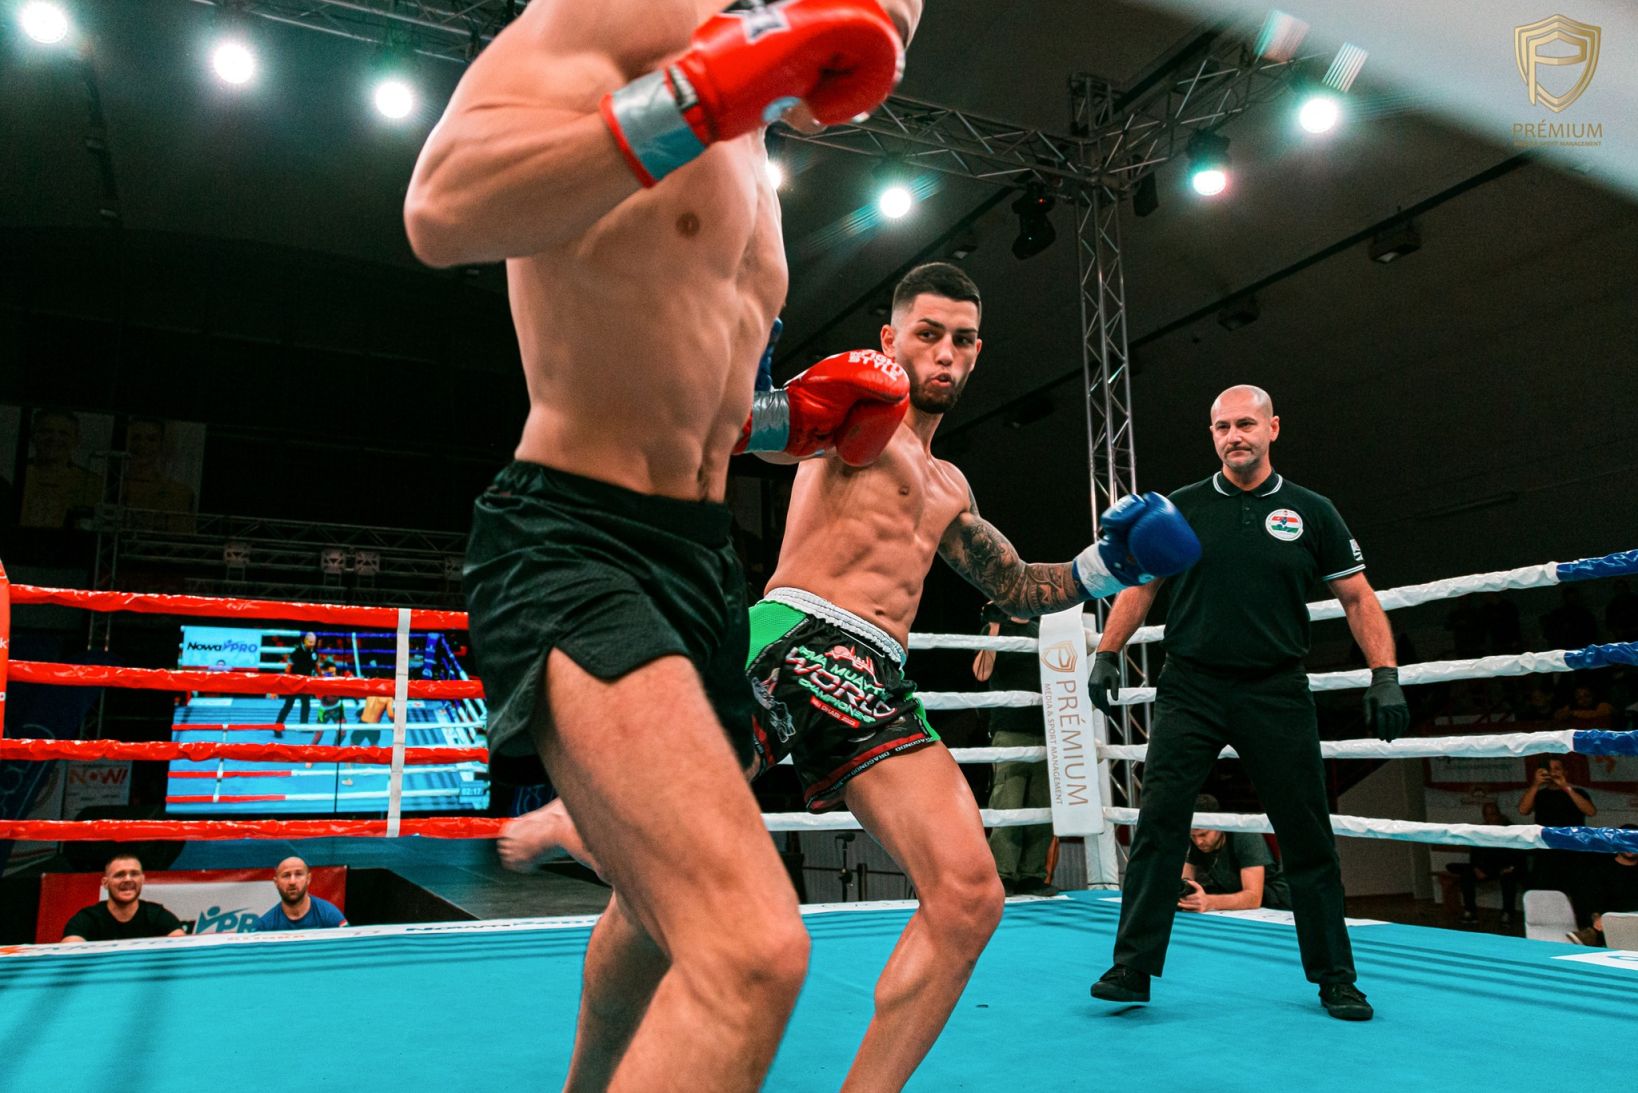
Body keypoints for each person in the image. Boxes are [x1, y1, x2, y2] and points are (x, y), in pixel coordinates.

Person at [500, 262, 1201, 1089]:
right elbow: (747, 433)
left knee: (970, 897)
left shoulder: (950, 485)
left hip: (876, 675)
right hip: (790, 634)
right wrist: (748, 387)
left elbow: (1016, 586)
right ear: (891, 339)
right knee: (652, 888)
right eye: (928, 334)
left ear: (978, 352)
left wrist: (1109, 563)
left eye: (962, 339)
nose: (945, 353)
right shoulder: (858, 408)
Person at [407, 2, 925, 1088]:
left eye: (907, 30)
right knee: (753, 952)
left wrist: (795, 423)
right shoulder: (636, 16)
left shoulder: (760, 157)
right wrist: (697, 94)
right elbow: (442, 208)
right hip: (576, 537)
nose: (886, 45)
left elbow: (698, 400)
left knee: (654, 909)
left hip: (701, 563)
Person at [1087, 384, 1409, 1023]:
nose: (1234, 436)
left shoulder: (1312, 511)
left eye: (1245, 424)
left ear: (1272, 428)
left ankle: (1336, 978)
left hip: (1275, 687)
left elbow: (1357, 597)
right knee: (1159, 823)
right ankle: (1131, 967)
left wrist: (1385, 674)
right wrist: (1107, 651)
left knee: (1307, 832)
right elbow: (1141, 587)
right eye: (1222, 427)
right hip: (1192, 685)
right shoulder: (1179, 509)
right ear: (1212, 435)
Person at [973, 606, 1055, 896]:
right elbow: (981, 673)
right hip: (1009, 728)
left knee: (1042, 805)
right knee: (1008, 802)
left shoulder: (1043, 631)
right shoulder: (995, 629)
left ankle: (1033, 874)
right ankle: (1003, 874)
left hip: (1047, 729)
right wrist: (994, 627)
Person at [1180, 795, 1292, 912]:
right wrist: (1183, 894)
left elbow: (1253, 897)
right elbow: (1186, 882)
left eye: (1203, 834)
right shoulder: (1194, 841)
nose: (1198, 841)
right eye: (1193, 836)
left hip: (1276, 904)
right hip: (1235, 901)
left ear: (1219, 826)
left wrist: (1209, 901)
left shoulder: (1245, 835)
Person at [1519, 756, 1596, 922]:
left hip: (1574, 851)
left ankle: (1584, 928)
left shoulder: (1578, 792)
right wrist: (1535, 784)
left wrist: (1565, 787)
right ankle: (1549, 928)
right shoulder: (1539, 794)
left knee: (1580, 893)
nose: (1553, 773)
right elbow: (1523, 810)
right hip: (1547, 852)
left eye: (1557, 769)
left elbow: (1590, 811)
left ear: (1565, 772)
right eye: (1549, 769)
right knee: (1546, 892)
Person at [61, 854, 187, 943]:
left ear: (142, 880)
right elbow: (69, 955)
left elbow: (182, 950)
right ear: (105, 883)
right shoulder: (86, 919)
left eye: (134, 874)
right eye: (119, 875)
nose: (128, 879)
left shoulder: (157, 915)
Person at [19, 407, 102, 529]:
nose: (54, 438)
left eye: (63, 433)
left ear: (76, 440)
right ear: (33, 436)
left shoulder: (91, 483)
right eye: (46, 431)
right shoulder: (15, 475)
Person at [1444, 801, 1525, 924]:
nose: (1491, 818)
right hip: (1486, 868)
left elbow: (1518, 853)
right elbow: (1475, 853)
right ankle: (1470, 911)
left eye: (1493, 814)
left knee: (1508, 878)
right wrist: (1476, 868)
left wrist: (1511, 867)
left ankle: (1507, 913)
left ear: (1499, 814)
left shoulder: (1510, 829)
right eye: (1488, 815)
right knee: (1466, 875)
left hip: (1506, 867)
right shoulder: (1481, 831)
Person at [1568, 825, 1638, 946]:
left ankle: (1592, 936)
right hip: (1611, 921)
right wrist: (1596, 918)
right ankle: (1593, 935)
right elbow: (1588, 900)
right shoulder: (1600, 870)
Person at [255, 857, 348, 931]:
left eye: (298, 874)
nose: (292, 882)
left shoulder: (330, 915)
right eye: (286, 875)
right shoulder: (264, 926)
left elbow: (349, 945)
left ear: (308, 879)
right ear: (276, 882)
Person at [274, 632, 319, 731]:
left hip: (306, 683)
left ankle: (304, 726)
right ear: (305, 641)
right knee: (288, 705)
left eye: (313, 642)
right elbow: (288, 668)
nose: (312, 644)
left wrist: (321, 677)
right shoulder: (296, 652)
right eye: (310, 642)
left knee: (306, 704)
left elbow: (316, 666)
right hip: (294, 682)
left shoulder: (314, 653)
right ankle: (277, 727)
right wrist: (287, 681)